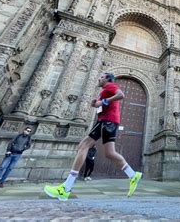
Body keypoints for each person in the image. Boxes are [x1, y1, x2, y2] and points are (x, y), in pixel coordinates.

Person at [44, 72, 142, 201]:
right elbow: (106, 103)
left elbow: (121, 95)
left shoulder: (110, 86)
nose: (99, 78)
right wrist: (97, 103)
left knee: (82, 146)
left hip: (106, 121)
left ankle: (65, 189)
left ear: (107, 79)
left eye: (101, 77)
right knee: (110, 153)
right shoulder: (105, 89)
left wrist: (103, 101)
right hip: (111, 121)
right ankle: (132, 174)